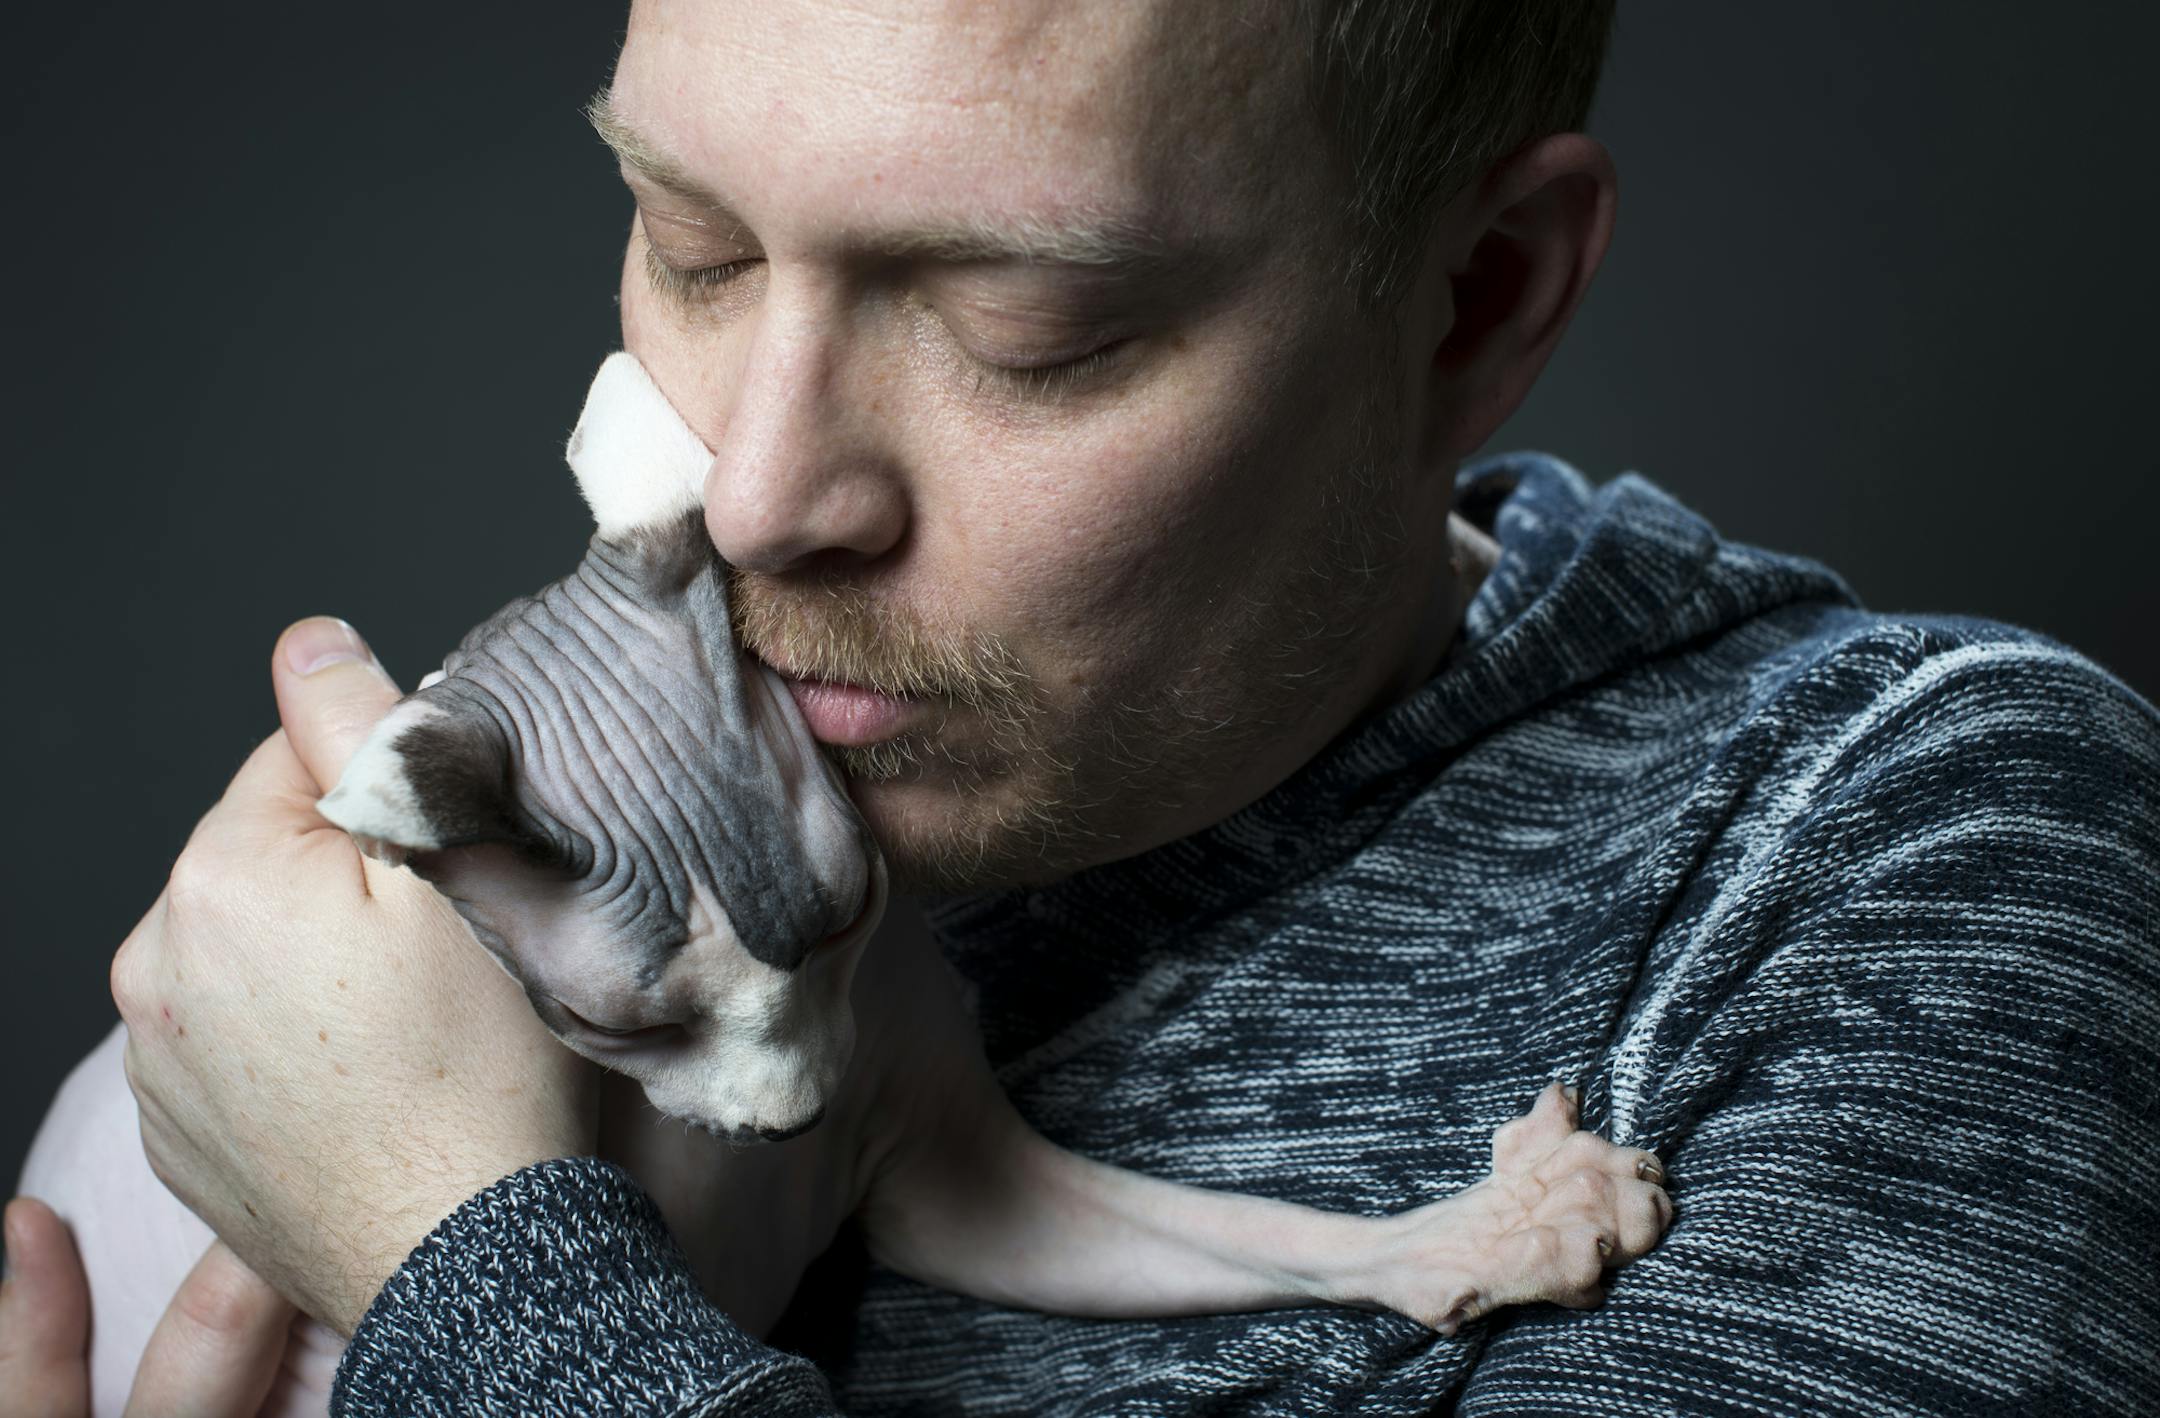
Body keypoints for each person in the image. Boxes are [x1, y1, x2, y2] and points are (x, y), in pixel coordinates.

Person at [5, 0, 2157, 1412]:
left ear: (1474, 305)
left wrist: (459, 1261)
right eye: (692, 244)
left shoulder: (1903, 869)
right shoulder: (705, 761)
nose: (757, 496)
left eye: (1023, 329)